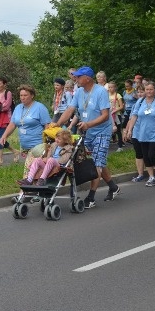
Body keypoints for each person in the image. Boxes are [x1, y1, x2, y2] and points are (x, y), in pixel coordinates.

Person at [52, 66, 121, 208]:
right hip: (87, 131)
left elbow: (105, 115)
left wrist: (88, 124)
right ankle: (113, 187)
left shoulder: (100, 92)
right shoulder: (79, 92)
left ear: (87, 78)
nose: (75, 78)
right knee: (97, 161)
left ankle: (91, 197)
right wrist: (57, 124)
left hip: (102, 131)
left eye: (78, 76)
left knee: (96, 163)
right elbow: (70, 110)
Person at [0, 84, 52, 180]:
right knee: (35, 169)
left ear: (32, 95)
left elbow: (47, 126)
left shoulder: (40, 107)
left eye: (25, 95)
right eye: (21, 95)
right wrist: (4, 136)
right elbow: (13, 124)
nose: (22, 98)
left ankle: (23, 191)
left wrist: (46, 144)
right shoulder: (18, 108)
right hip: (25, 145)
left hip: (37, 145)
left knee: (28, 169)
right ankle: (38, 188)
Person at [124, 81, 155, 186]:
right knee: (145, 156)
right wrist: (130, 130)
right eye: (147, 89)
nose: (149, 91)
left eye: (151, 89)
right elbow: (134, 116)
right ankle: (151, 176)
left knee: (151, 154)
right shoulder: (140, 102)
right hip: (142, 133)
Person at [0, 77, 20, 166]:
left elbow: (6, 106)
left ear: (4, 84)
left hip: (7, 119)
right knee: (1, 138)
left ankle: (0, 159)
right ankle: (15, 151)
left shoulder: (8, 93)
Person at [108, 81, 125, 151]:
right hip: (109, 115)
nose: (110, 89)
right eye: (109, 87)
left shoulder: (118, 95)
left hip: (116, 115)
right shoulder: (107, 95)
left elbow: (121, 106)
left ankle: (120, 146)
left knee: (118, 130)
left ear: (115, 88)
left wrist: (115, 110)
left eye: (112, 87)